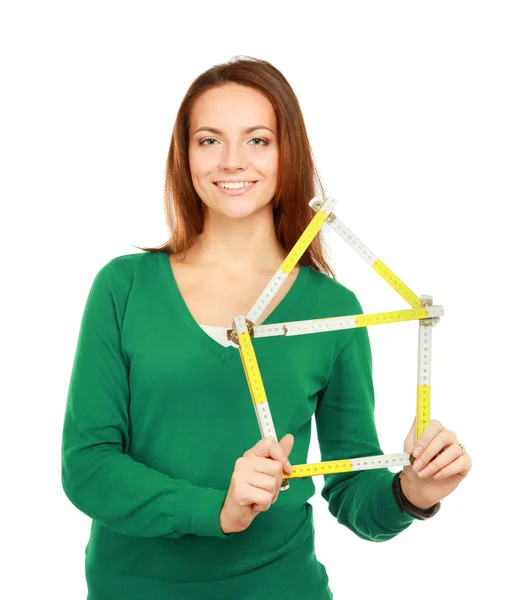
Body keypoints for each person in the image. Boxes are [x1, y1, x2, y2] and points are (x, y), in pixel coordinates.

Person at [61, 55, 472, 600]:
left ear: (287, 154)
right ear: (184, 157)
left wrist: (411, 492)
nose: (232, 161)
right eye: (209, 140)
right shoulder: (124, 286)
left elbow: (351, 489)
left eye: (257, 140)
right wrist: (217, 509)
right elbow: (87, 466)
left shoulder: (335, 308)